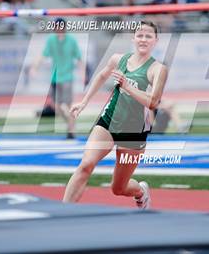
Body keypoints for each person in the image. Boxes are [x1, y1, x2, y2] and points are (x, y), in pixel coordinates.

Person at [63, 21, 168, 209]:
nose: (143, 39)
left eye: (148, 36)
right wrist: (84, 101)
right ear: (133, 38)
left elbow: (153, 102)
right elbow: (102, 76)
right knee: (86, 164)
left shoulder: (157, 69)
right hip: (109, 122)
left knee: (118, 188)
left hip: (134, 133)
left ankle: (140, 191)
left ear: (155, 40)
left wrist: (127, 86)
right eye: (140, 35)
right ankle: (63, 211)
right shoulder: (118, 59)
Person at [30, 18, 84, 139]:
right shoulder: (51, 40)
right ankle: (70, 125)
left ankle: (71, 130)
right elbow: (43, 55)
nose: (58, 29)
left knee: (69, 105)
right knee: (57, 107)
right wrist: (35, 67)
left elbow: (79, 58)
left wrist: (83, 73)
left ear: (64, 27)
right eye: (56, 27)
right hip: (55, 78)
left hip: (67, 77)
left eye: (60, 27)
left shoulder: (71, 40)